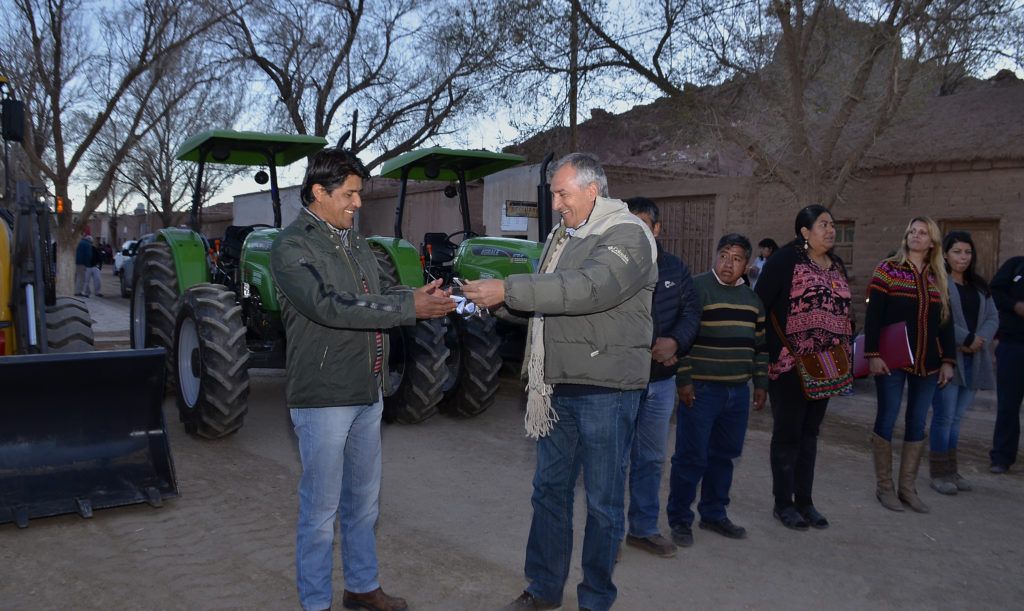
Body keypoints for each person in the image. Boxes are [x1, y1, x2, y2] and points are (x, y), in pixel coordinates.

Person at [462, 153, 657, 611]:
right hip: (555, 387)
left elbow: (590, 288)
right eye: (553, 192)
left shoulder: (627, 233)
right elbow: (548, 302)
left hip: (605, 390)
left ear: (593, 190)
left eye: (562, 193)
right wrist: (493, 301)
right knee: (549, 493)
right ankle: (544, 588)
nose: (555, 202)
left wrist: (509, 289)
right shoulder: (561, 236)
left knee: (605, 504)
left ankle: (595, 599)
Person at [269, 147, 455, 611]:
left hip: (368, 391)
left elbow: (369, 296)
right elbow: (327, 304)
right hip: (325, 397)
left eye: (360, 194)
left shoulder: (354, 242)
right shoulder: (292, 246)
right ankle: (315, 603)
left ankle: (361, 587)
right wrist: (408, 308)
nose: (358, 203)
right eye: (351, 194)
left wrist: (412, 294)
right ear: (319, 191)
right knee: (319, 513)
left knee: (364, 505)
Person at [666, 233, 768, 548]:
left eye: (737, 258)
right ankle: (680, 519)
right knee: (691, 457)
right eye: (724, 255)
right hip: (701, 391)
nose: (728, 263)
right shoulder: (697, 289)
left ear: (747, 265)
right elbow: (680, 336)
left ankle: (713, 513)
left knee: (724, 457)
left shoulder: (753, 300)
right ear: (716, 256)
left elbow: (760, 346)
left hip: (737, 392)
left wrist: (760, 383)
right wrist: (684, 379)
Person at [756, 205, 852, 531]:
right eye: (823, 224)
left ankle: (805, 502)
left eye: (832, 225)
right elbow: (760, 306)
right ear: (804, 232)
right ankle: (783, 503)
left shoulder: (837, 265)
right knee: (788, 434)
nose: (831, 230)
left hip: (826, 365)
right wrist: (770, 352)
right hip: (790, 365)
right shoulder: (785, 260)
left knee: (810, 434)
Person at [622, 196, 700, 558]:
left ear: (657, 228)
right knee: (612, 459)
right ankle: (606, 535)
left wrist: (675, 342)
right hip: (620, 383)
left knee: (651, 459)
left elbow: (691, 311)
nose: (637, 231)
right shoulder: (614, 266)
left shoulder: (675, 269)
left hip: (661, 383)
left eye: (643, 224)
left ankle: (642, 529)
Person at [865, 216, 955, 514]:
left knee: (918, 422)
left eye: (923, 233)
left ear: (932, 242)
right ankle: (885, 488)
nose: (916, 236)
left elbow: (946, 324)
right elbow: (874, 315)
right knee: (887, 418)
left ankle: (907, 488)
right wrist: (873, 354)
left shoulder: (938, 276)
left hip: (928, 363)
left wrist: (948, 360)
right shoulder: (887, 269)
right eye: (912, 232)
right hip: (891, 360)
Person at [928, 232, 998, 493]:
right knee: (944, 417)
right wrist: (966, 338)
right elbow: (937, 318)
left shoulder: (979, 285)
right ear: (945, 254)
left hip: (974, 360)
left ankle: (951, 471)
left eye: (967, 252)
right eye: (957, 251)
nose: (963, 257)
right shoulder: (938, 282)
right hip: (949, 358)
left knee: (957, 418)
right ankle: (938, 474)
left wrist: (980, 339)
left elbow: (993, 316)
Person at [988, 254, 1024, 473]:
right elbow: (994, 292)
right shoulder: (1015, 265)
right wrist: (1016, 306)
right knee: (1008, 405)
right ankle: (1002, 457)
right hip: (1014, 346)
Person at [74, 226, 93, 297]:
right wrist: (87, 264)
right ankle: (78, 292)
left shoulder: (79, 242)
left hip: (75, 262)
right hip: (82, 263)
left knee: (76, 277)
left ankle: (75, 290)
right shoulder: (87, 244)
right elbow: (88, 255)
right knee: (81, 277)